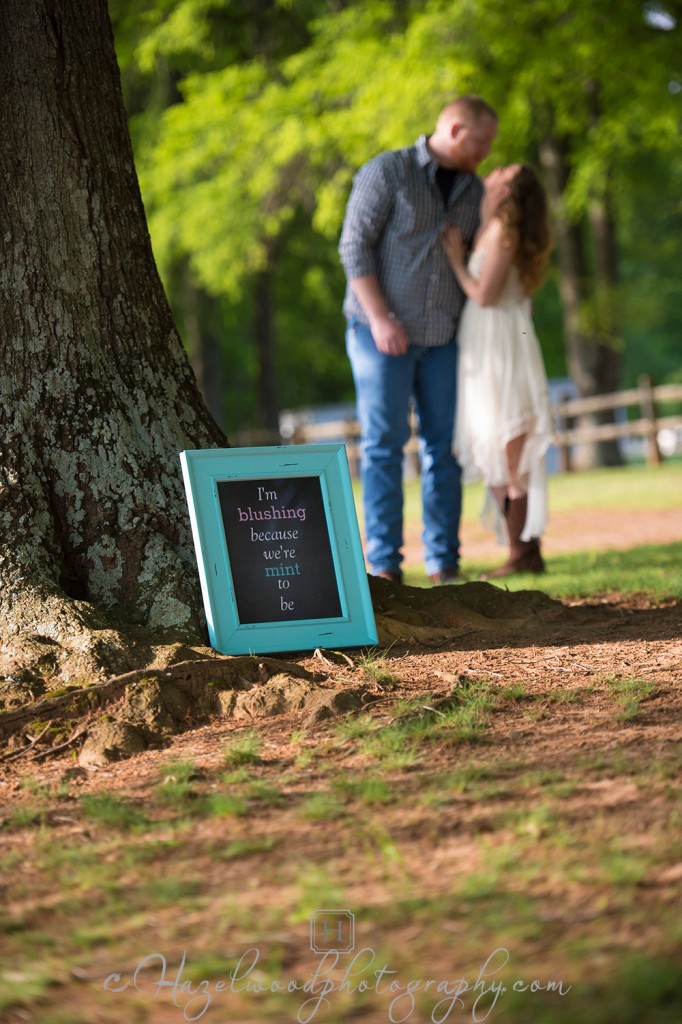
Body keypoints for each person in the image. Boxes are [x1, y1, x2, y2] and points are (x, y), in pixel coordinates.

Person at [338, 95, 499, 585]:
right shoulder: (387, 171)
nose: (485, 153)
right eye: (480, 142)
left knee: (443, 449)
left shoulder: (475, 191)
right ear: (453, 129)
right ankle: (385, 566)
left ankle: (444, 565)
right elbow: (353, 246)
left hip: (443, 339)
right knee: (384, 445)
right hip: (378, 334)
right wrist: (382, 319)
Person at [441, 163, 553, 578]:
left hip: (497, 342)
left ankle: (523, 551)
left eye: (504, 171)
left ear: (508, 190)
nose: (495, 170)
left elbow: (484, 295)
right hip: (484, 341)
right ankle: (521, 549)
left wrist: (456, 262)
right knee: (494, 442)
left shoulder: (504, 234)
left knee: (509, 444)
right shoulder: (493, 226)